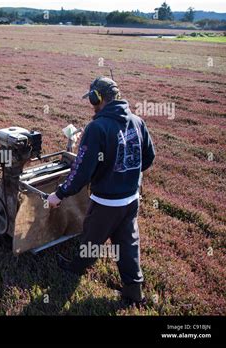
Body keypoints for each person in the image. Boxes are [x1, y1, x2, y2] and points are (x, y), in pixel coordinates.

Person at [47, 76, 155, 306]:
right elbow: (148, 158)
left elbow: (81, 171)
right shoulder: (137, 121)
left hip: (107, 202)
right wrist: (126, 176)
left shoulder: (97, 128)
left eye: (92, 98)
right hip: (131, 200)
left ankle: (74, 269)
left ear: (97, 97)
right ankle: (134, 291)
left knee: (91, 240)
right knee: (127, 243)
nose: (92, 103)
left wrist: (60, 194)